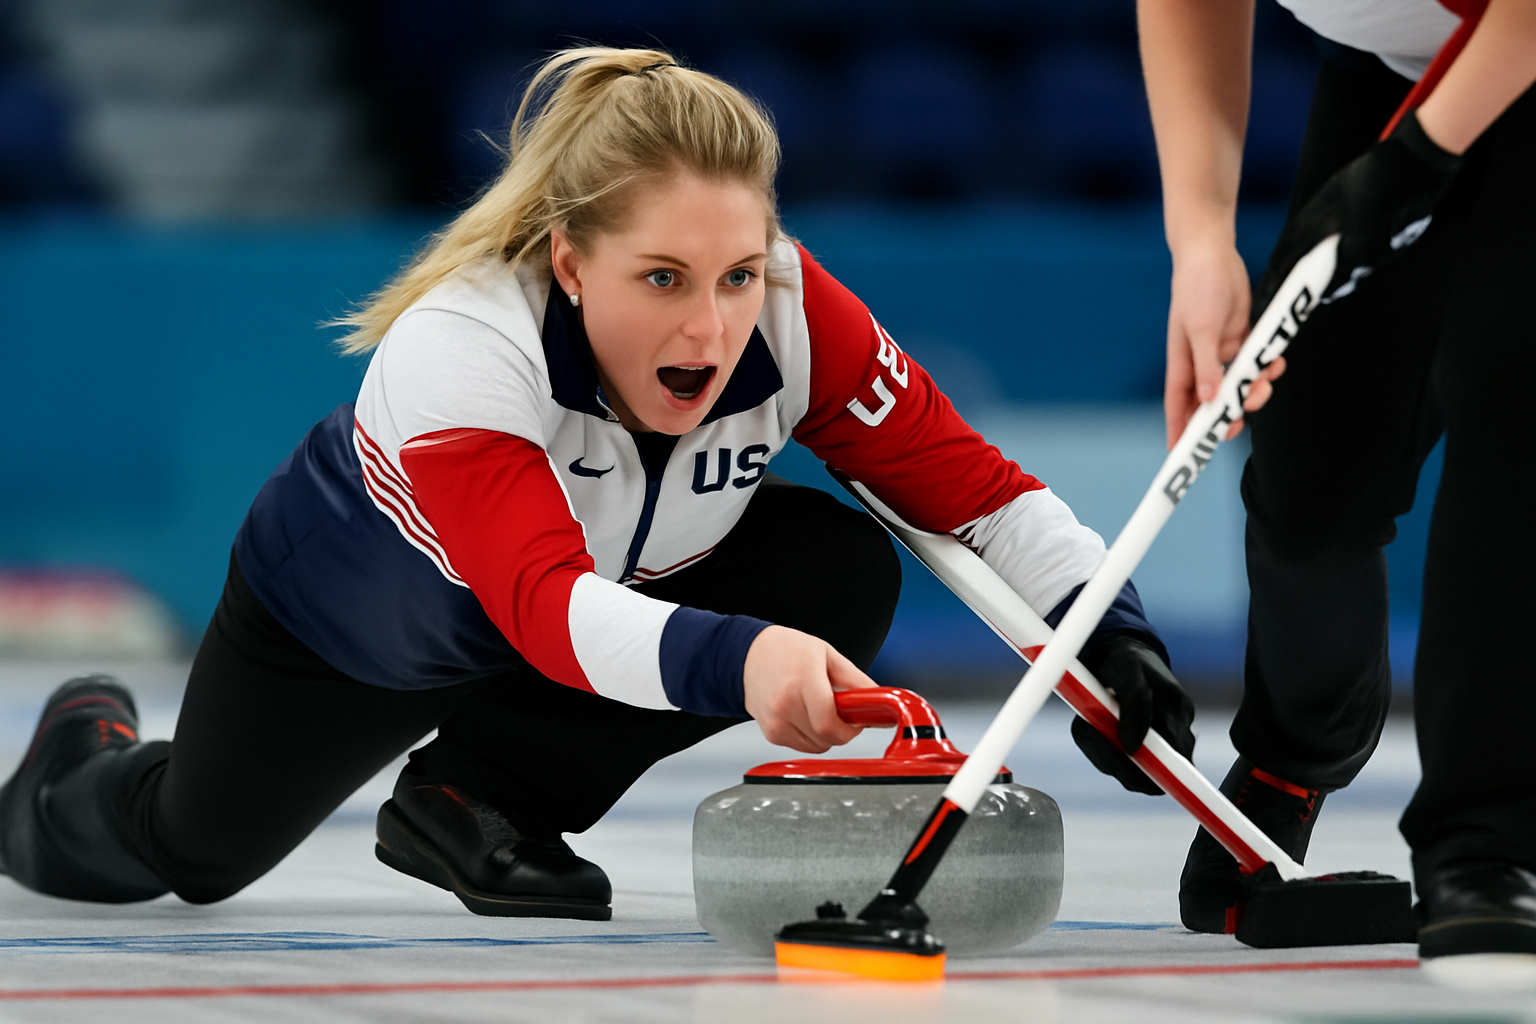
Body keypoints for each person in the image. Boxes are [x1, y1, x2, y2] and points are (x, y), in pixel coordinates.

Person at [0, 46, 1194, 921]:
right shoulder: (464, 346)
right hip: (351, 626)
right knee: (191, 853)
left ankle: (476, 796)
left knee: (836, 567)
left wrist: (1114, 634)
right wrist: (746, 661)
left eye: (736, 274)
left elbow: (978, 497)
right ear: (569, 259)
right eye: (664, 278)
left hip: (604, 593)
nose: (715, 324)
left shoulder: (795, 312)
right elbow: (545, 608)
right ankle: (73, 754)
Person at [1138, 0, 1536, 979]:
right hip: (1398, 77)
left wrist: (1409, 170)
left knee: (1513, 395)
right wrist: (1200, 240)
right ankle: (1286, 763)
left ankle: (1485, 842)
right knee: (1310, 452)